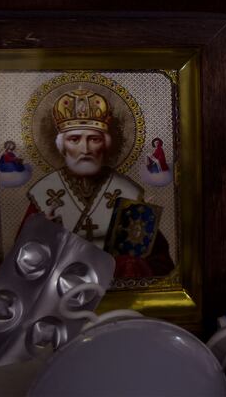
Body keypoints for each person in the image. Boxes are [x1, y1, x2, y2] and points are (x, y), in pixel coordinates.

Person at [22, 88, 173, 277]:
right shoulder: (43, 193)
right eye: (74, 139)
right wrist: (41, 237)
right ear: (62, 146)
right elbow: (23, 264)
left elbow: (160, 265)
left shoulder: (129, 192)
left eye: (94, 139)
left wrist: (135, 254)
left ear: (106, 144)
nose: (85, 149)